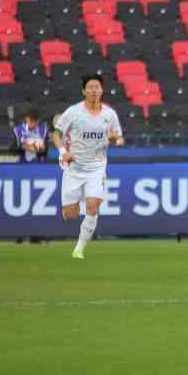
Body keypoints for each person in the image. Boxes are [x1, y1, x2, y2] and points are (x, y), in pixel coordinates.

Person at [53, 74, 124, 260]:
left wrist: (116, 140)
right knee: (71, 214)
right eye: (90, 87)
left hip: (97, 167)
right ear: (84, 91)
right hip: (74, 168)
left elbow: (119, 137)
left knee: (93, 206)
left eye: (97, 87)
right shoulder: (73, 112)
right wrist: (63, 152)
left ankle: (79, 249)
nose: (94, 90)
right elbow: (57, 134)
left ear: (102, 90)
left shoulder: (110, 115)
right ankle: (69, 209)